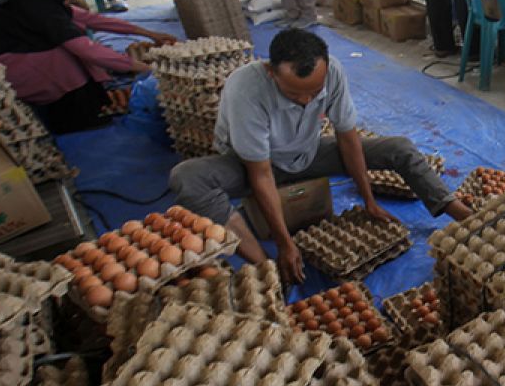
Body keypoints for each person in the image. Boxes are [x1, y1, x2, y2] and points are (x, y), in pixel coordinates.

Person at [169, 29, 473, 285]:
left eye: (313, 94)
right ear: (270, 72)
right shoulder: (246, 89)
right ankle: (264, 266)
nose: (305, 101)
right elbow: (260, 174)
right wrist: (285, 244)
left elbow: (347, 137)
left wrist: (368, 199)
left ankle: (462, 214)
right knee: (188, 178)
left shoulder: (332, 72)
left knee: (399, 148)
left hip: (306, 152)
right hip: (252, 166)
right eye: (294, 94)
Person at [0, 0, 172, 133]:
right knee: (63, 59)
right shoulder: (40, 12)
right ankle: (75, 117)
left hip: (3, 56)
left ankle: (87, 102)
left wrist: (149, 33)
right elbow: (90, 52)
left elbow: (94, 20)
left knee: (72, 50)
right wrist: (147, 68)